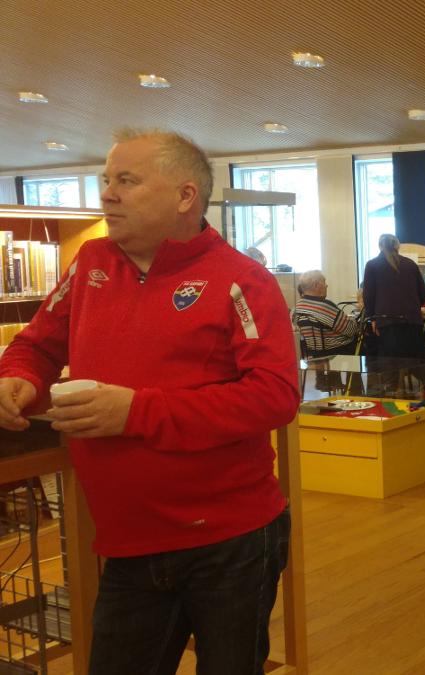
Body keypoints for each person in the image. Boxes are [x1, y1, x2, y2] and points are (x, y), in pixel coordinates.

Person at [0, 128, 297, 673]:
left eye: (127, 180)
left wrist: (136, 412)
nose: (107, 194)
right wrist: (18, 377)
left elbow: (275, 395)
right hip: (127, 543)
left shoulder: (241, 280)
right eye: (106, 180)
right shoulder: (90, 262)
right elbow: (37, 345)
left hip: (230, 543)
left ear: (185, 196)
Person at [361, 233, 425, 359]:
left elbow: (368, 296)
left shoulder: (372, 265)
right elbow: (423, 294)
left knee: (390, 364)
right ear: (398, 246)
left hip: (386, 322)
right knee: (414, 362)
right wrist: (412, 307)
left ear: (380, 246)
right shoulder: (410, 264)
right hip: (412, 322)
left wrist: (373, 318)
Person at [294, 269, 360, 358]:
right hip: (336, 354)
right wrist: (353, 319)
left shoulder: (297, 308)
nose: (327, 285)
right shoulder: (325, 307)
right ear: (316, 285)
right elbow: (351, 330)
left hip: (309, 356)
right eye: (324, 282)